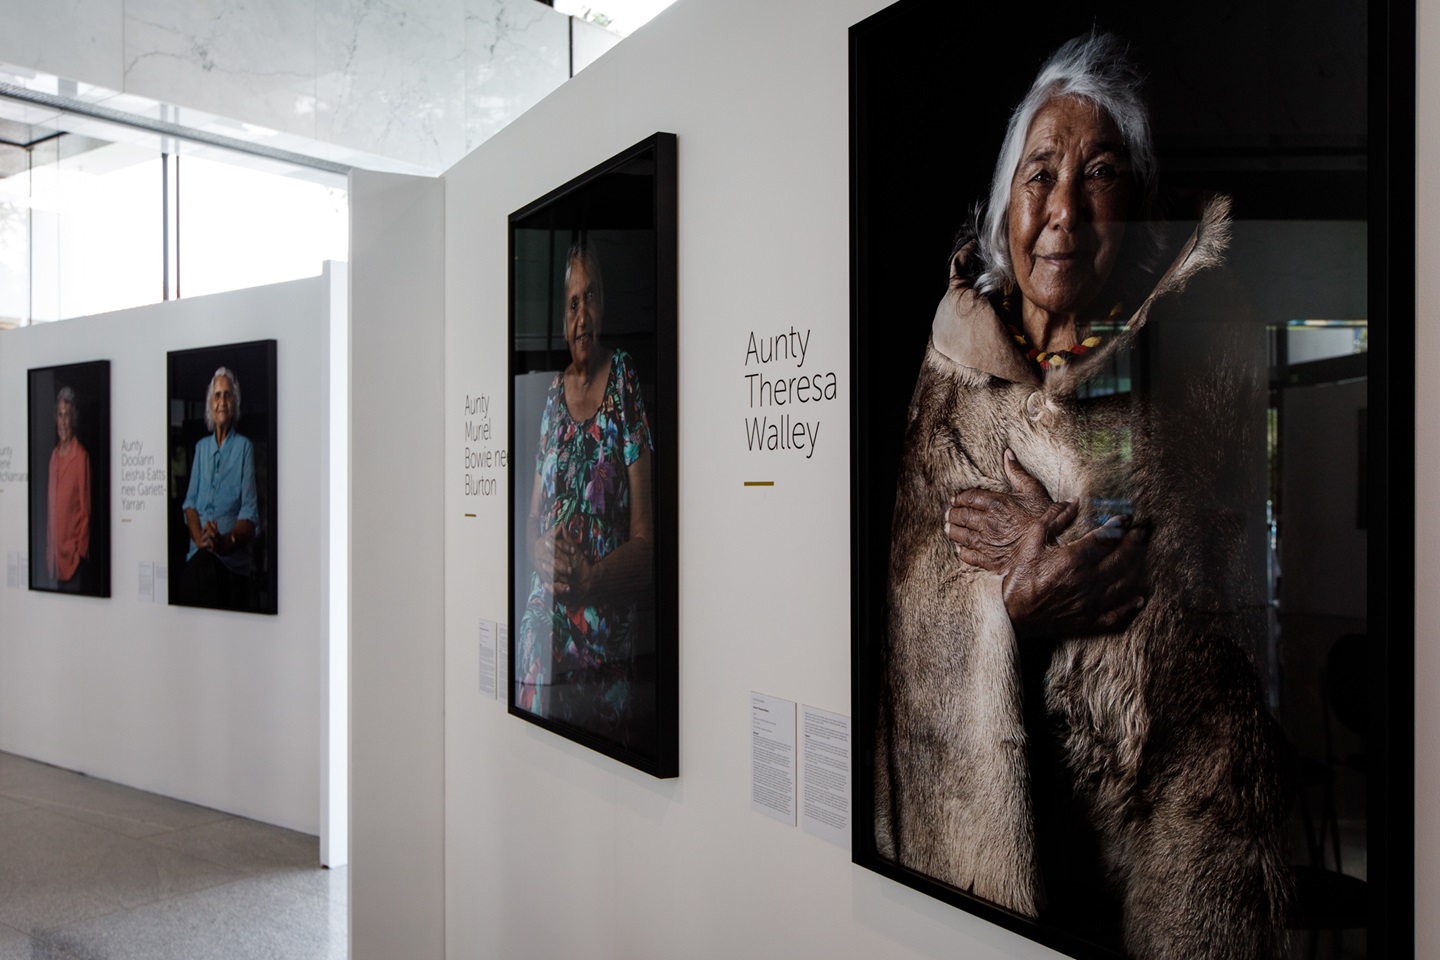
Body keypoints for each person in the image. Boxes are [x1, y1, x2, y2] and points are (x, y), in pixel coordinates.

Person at [876, 33, 1288, 959]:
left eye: (1097, 173)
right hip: (1001, 832)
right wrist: (1014, 602)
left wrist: (1049, 541)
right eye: (1040, 173)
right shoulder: (952, 371)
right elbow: (915, 610)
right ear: (1004, 202)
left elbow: (1188, 582)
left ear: (1136, 205)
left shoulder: (1185, 354)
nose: (1063, 209)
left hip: (1161, 829)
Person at [516, 239, 655, 751]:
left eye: (590, 298)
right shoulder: (553, 396)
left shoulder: (623, 381)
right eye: (572, 303)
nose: (581, 315)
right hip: (547, 615)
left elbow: (646, 540)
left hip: (603, 620)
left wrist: (591, 581)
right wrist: (538, 551)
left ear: (604, 307)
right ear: (562, 315)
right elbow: (533, 519)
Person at [180, 367, 260, 611]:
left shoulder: (244, 448)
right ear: (210, 405)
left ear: (234, 402)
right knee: (200, 567)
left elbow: (249, 514)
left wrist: (224, 542)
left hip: (230, 563)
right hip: (200, 558)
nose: (222, 402)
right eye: (217, 395)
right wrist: (201, 539)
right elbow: (190, 505)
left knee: (204, 572)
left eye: (227, 395)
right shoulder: (201, 448)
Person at [46, 386, 90, 592]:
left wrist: (79, 552)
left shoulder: (80, 456)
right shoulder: (53, 457)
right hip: (52, 563)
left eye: (67, 416)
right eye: (60, 415)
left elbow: (86, 512)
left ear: (74, 419)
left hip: (72, 562)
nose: (63, 422)